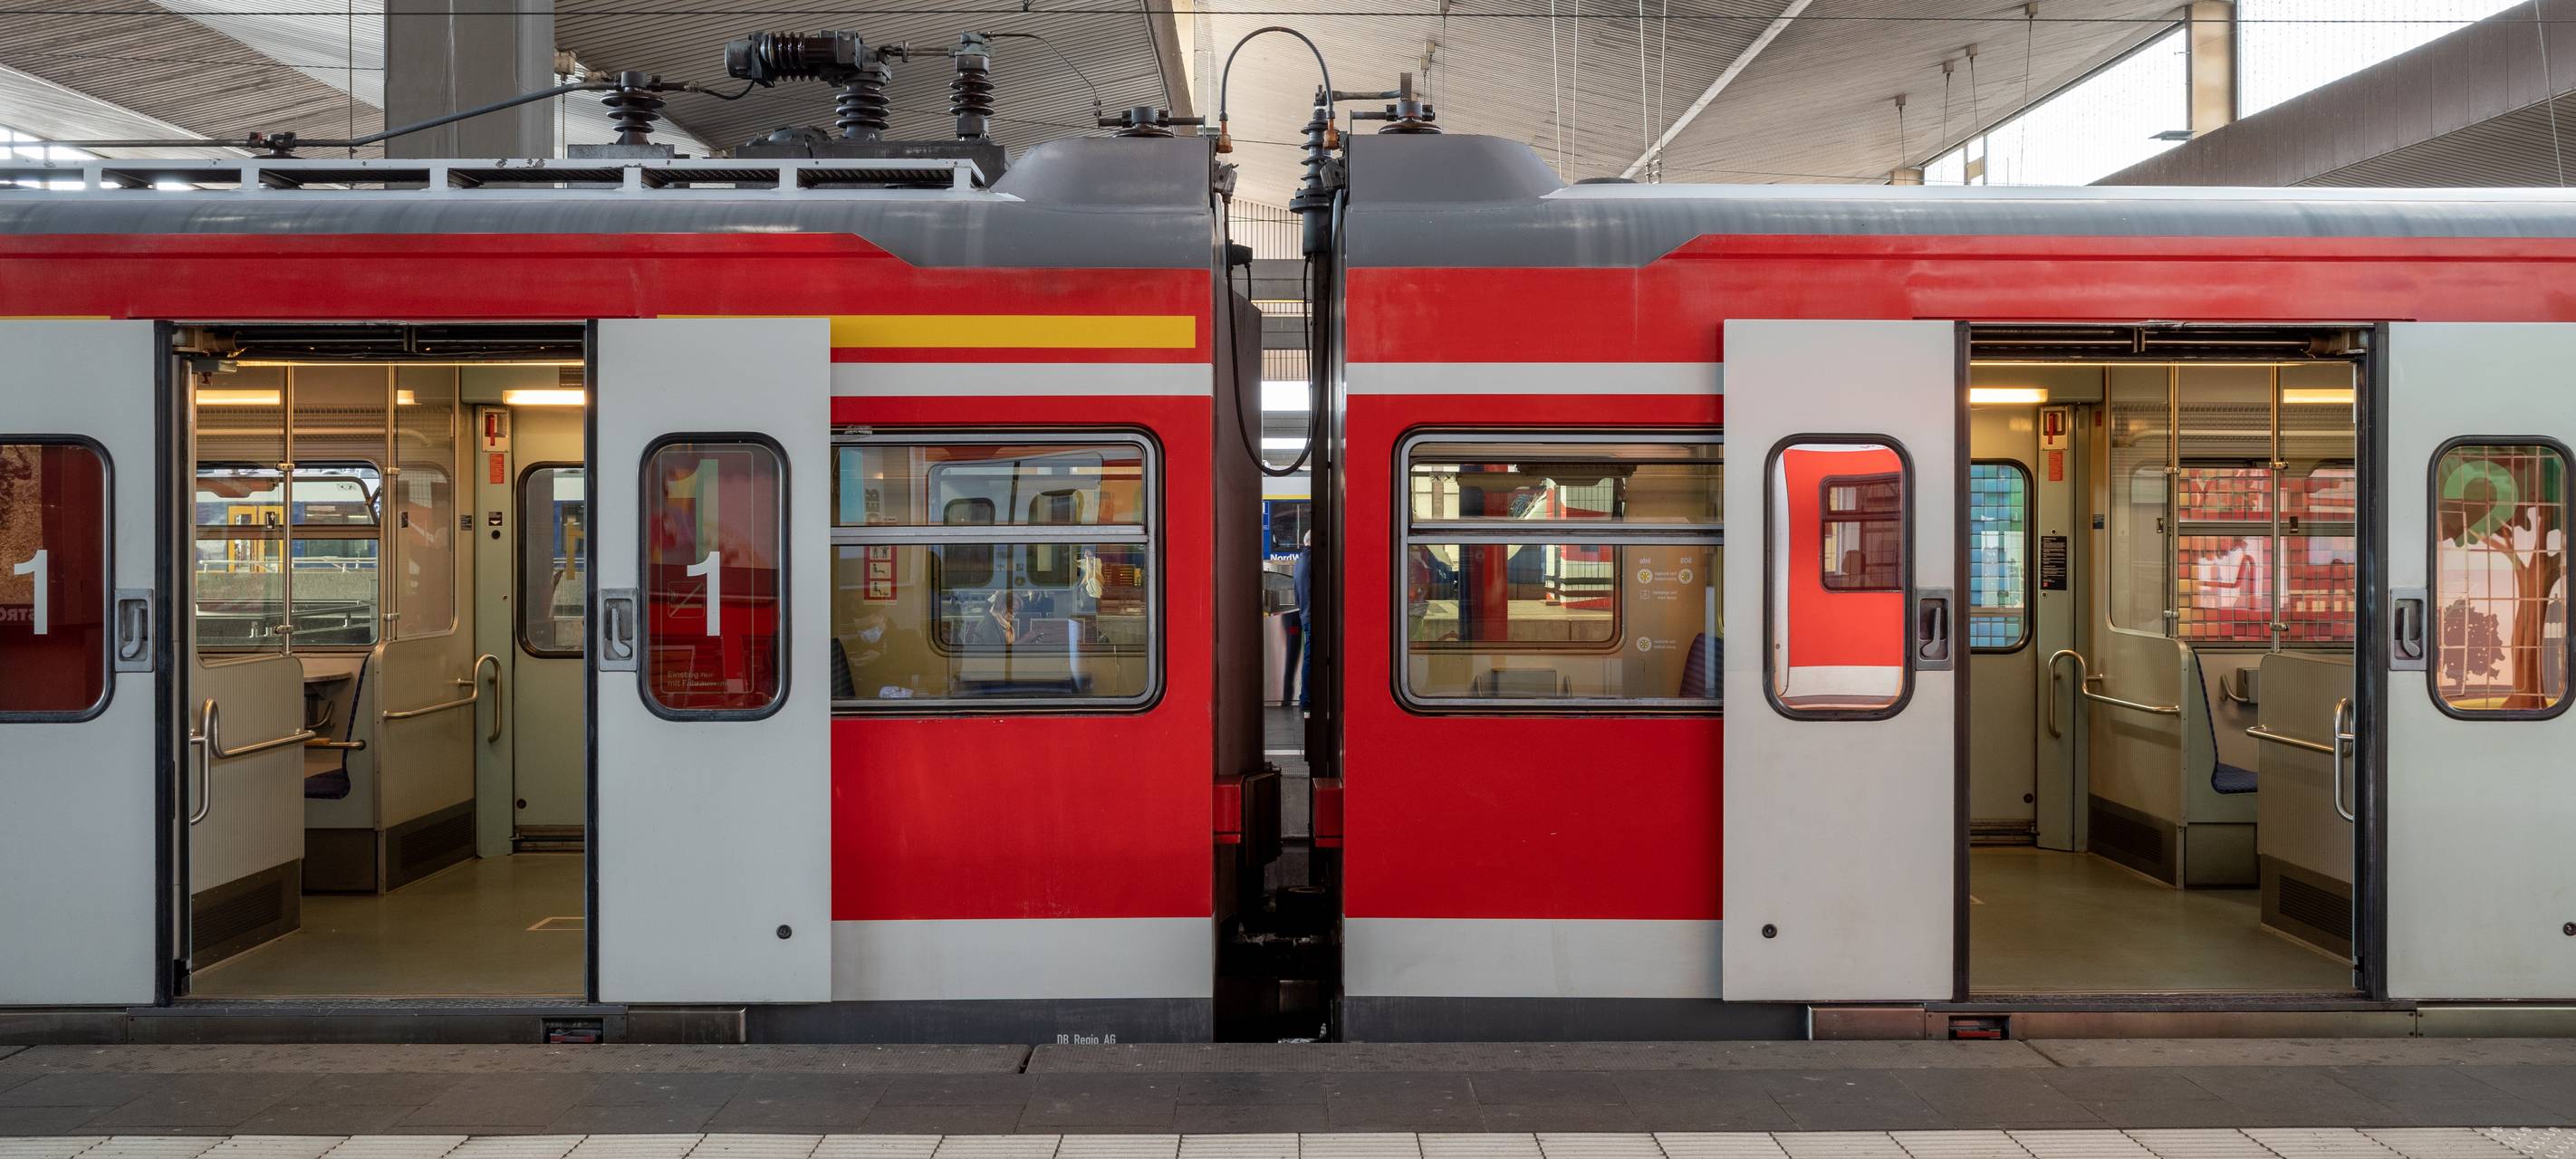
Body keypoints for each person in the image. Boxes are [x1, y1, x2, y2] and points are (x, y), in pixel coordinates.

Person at [843, 606, 938, 698]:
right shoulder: (853, 646)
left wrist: (880, 659)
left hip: (903, 698)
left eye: (870, 626)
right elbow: (849, 683)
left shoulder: (907, 638)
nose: (865, 633)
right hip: (868, 700)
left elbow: (923, 667)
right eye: (860, 630)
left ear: (883, 618)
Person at [1292, 532, 1313, 709]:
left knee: (1310, 656)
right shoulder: (1314, 560)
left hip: (1305, 614)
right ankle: (1306, 698)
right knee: (1311, 657)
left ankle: (1306, 697)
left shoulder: (1299, 561)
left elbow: (1297, 595)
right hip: (1314, 616)